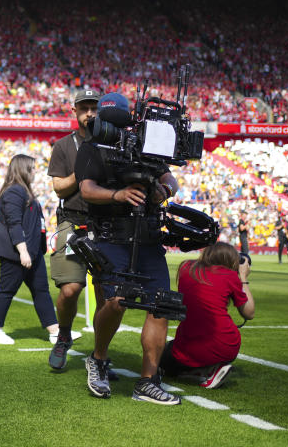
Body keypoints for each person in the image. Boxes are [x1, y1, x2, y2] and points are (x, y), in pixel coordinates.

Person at [75, 92, 182, 405]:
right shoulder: (92, 148)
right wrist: (118, 195)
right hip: (111, 236)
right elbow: (86, 189)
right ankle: (98, 358)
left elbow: (170, 178)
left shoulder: (147, 147)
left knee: (160, 305)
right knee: (117, 300)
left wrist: (164, 191)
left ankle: (148, 380)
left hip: (147, 236)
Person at [46, 89, 99, 369]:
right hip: (72, 219)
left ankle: (100, 355)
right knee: (70, 289)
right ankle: (64, 335)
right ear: (75, 111)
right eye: (84, 108)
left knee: (108, 295)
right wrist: (83, 170)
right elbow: (58, 188)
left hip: (106, 223)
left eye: (94, 108)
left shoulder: (113, 143)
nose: (89, 113)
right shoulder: (64, 146)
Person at [159, 243, 254, 389]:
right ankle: (208, 369)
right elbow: (249, 312)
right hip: (227, 344)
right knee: (180, 354)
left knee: (165, 358)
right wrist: (242, 276)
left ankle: (199, 371)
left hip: (189, 343)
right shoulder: (229, 276)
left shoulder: (186, 268)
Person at [0, 154, 59, 345]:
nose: (35, 171)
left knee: (41, 290)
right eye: (33, 168)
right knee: (6, 290)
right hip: (17, 253)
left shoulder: (24, 191)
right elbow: (14, 223)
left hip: (33, 252)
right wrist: (23, 251)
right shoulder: (13, 191)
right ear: (24, 169)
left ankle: (55, 331)